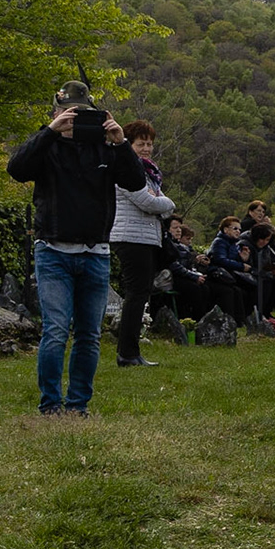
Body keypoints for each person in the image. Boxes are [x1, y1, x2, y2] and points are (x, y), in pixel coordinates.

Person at [7, 82, 146, 416]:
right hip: (53, 250)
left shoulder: (104, 149)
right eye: (67, 112)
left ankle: (78, 406)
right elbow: (16, 168)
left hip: (95, 252)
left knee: (88, 334)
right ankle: (50, 406)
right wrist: (50, 132)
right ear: (56, 112)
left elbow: (137, 182)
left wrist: (121, 143)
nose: (73, 119)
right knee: (55, 331)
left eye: (81, 113)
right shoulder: (47, 147)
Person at [110, 120, 174, 368]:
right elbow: (147, 202)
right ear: (129, 144)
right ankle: (127, 352)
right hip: (130, 236)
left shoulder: (148, 171)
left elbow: (153, 200)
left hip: (144, 236)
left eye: (149, 144)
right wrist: (169, 204)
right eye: (141, 144)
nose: (146, 148)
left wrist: (160, 202)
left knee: (140, 293)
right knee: (136, 294)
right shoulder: (125, 167)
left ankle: (130, 350)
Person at [208, 216, 258, 315]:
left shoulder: (235, 244)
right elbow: (220, 260)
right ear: (226, 229)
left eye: (240, 229)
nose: (238, 231)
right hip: (219, 275)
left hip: (230, 274)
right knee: (236, 291)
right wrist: (241, 265)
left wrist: (243, 259)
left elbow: (233, 260)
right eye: (235, 228)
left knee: (254, 287)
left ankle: (249, 317)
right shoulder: (219, 242)